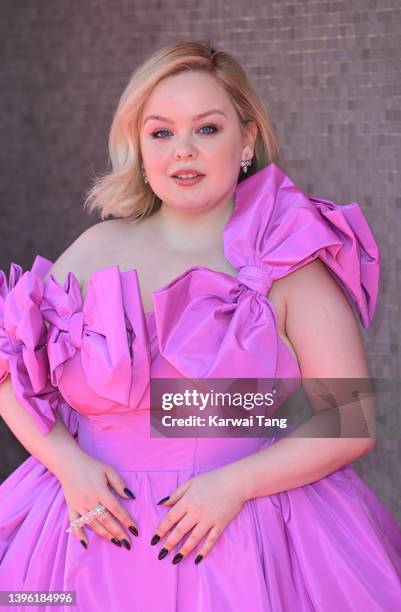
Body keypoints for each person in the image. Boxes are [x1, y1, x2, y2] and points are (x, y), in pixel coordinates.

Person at [0, 39, 400, 612]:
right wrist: (70, 467)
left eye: (206, 129)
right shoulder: (93, 250)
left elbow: (351, 420)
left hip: (237, 539)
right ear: (139, 146)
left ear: (247, 139)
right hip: (80, 537)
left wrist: (233, 484)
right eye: (161, 132)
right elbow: (9, 372)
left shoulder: (286, 262)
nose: (182, 151)